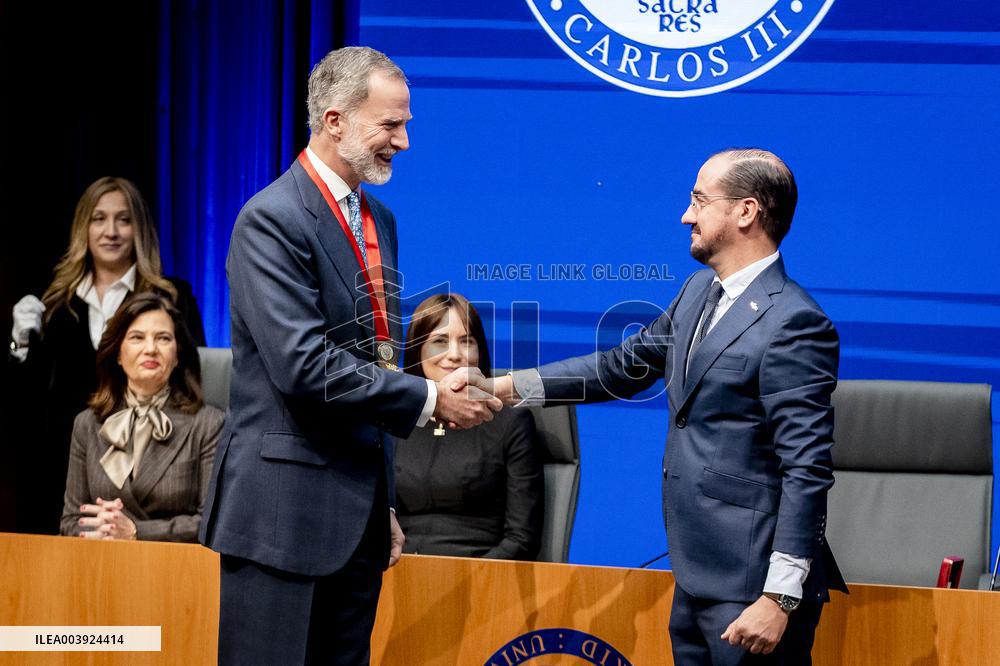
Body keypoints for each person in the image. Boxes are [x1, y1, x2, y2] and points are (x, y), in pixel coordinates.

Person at [483, 149, 847, 665]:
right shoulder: (699, 290)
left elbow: (806, 470)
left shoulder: (794, 323)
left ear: (746, 211)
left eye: (700, 199)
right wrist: (503, 387)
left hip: (751, 589)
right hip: (697, 575)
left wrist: (779, 597)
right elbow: (619, 367)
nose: (686, 214)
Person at [198, 47, 501, 665]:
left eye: (406, 123)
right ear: (334, 120)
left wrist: (381, 502)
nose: (405, 141)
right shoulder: (271, 219)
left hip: (356, 525)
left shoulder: (378, 218)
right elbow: (304, 365)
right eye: (391, 124)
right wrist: (428, 396)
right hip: (279, 520)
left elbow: (378, 357)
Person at [8, 177, 205, 535]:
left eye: (124, 219)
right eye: (99, 219)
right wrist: (20, 347)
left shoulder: (171, 297)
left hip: (154, 477)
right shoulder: (55, 306)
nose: (111, 231)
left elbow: (192, 380)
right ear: (83, 227)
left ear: (140, 229)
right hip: (63, 475)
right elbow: (29, 404)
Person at [60, 293, 222, 542]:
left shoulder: (208, 424)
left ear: (177, 355)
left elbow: (214, 523)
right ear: (117, 353)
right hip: (100, 567)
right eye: (137, 338)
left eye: (163, 338)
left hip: (178, 572)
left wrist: (137, 532)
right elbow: (71, 523)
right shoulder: (87, 424)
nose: (150, 349)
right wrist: (102, 529)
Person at [396, 293, 543, 560]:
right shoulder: (394, 420)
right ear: (417, 350)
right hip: (394, 578)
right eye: (439, 341)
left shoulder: (510, 422)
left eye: (466, 342)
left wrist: (470, 581)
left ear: (480, 352)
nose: (454, 355)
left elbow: (521, 540)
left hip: (479, 582)